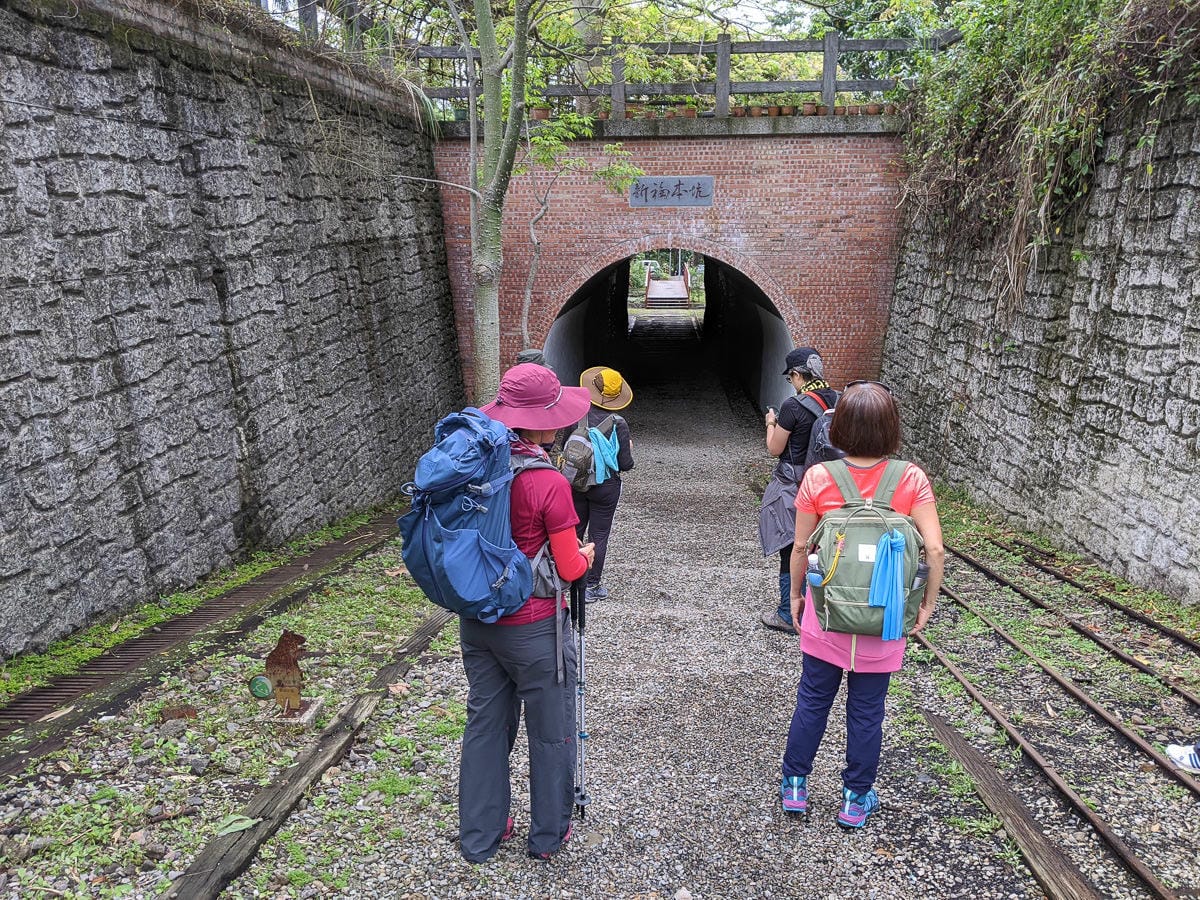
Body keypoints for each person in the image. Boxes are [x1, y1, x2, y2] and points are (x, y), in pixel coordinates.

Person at [778, 381, 945, 828]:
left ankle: (795, 786)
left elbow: (799, 549)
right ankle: (855, 799)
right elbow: (935, 551)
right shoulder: (911, 479)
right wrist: (925, 605)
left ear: (841, 426)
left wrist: (795, 598)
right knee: (868, 711)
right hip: (886, 616)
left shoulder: (819, 477)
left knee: (813, 699)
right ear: (893, 428)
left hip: (829, 614)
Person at [459, 363, 596, 863]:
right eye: (554, 416)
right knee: (549, 728)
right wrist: (588, 555)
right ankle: (547, 834)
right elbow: (567, 566)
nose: (561, 424)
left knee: (486, 726)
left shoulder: (473, 469)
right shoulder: (547, 482)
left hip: (477, 622)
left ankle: (480, 835)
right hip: (533, 627)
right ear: (538, 421)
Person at [758, 348, 838, 634]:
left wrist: (771, 423)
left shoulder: (793, 406)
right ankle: (825, 611)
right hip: (831, 486)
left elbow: (774, 448)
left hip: (796, 487)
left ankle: (786, 613)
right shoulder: (839, 400)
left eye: (791, 377)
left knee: (792, 547)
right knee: (826, 547)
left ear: (797, 375)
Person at [573, 366, 635, 603]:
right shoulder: (618, 423)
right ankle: (591, 585)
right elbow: (625, 464)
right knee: (599, 533)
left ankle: (568, 578)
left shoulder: (577, 416)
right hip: (606, 485)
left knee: (574, 530)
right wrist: (627, 449)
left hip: (577, 482)